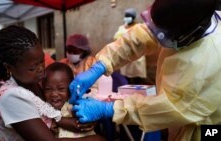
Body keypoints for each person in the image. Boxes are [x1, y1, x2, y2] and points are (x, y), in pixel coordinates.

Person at [69, 0, 221, 141]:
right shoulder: (183, 22)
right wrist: (101, 64)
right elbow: (141, 37)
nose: (156, 35)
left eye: (163, 35)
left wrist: (110, 109)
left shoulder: (210, 61)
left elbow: (171, 108)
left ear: (190, 34)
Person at [0, 25, 105, 141]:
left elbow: (57, 112)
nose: (41, 69)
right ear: (10, 67)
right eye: (33, 67)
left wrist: (84, 118)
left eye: (42, 61)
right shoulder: (12, 97)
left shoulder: (36, 82)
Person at [42, 62, 96, 138]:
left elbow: (83, 124)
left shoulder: (74, 103)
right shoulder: (45, 108)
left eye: (61, 89)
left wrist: (56, 121)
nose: (54, 94)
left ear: (71, 87)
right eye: (48, 89)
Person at [114, 8, 148, 85]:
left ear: (133, 17)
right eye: (126, 16)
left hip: (137, 57)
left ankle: (138, 94)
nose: (127, 18)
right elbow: (116, 38)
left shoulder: (139, 27)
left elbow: (142, 40)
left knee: (137, 78)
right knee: (126, 78)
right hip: (126, 56)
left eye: (128, 16)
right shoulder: (122, 28)